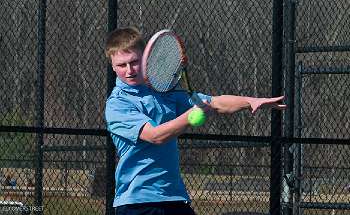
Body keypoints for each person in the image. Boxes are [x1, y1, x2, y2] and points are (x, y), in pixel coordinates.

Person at [104, 26, 286, 215]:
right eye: (121, 65)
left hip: (174, 198)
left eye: (134, 62)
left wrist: (251, 101)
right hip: (137, 202)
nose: (129, 70)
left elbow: (215, 103)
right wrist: (191, 116)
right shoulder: (118, 104)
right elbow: (155, 135)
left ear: (145, 59)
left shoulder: (165, 90)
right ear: (112, 66)